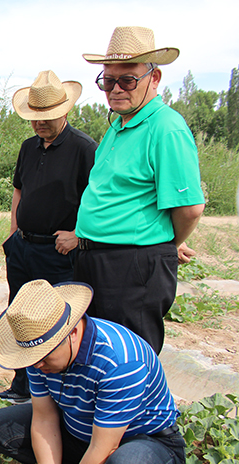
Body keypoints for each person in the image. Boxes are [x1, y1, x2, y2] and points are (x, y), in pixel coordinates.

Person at [0, 279, 185, 464]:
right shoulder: (39, 356)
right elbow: (44, 419)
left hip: (142, 441)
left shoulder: (120, 361)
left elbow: (104, 446)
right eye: (32, 359)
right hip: (81, 431)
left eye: (43, 357)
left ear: (73, 333)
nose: (36, 366)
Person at [75, 26, 205, 354]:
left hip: (131, 265)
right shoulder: (118, 125)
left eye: (127, 79)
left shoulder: (166, 127)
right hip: (97, 259)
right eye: (108, 80)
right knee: (98, 353)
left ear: (155, 78)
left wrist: (163, 244)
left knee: (129, 356)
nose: (116, 89)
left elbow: (189, 208)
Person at [0, 71, 97, 404]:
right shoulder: (28, 148)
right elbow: (18, 190)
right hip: (23, 247)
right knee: (20, 314)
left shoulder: (85, 149)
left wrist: (78, 235)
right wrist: (13, 234)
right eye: (34, 118)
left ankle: (59, 395)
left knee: (55, 322)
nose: (38, 124)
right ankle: (22, 385)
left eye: (45, 118)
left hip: (57, 252)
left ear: (64, 111)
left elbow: (98, 199)